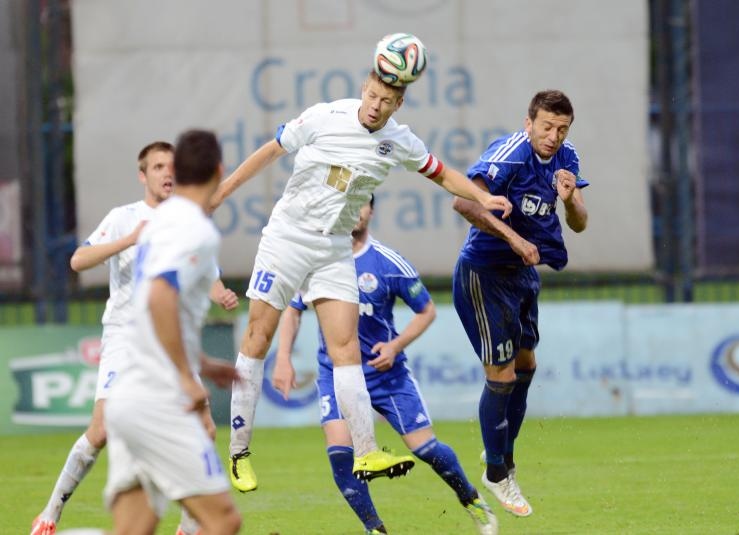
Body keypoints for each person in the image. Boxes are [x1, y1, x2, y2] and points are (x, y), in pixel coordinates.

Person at [210, 68, 512, 492]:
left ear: (398, 104)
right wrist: (223, 192)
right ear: (362, 90)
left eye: (385, 101)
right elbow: (272, 150)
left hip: (334, 248)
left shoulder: (400, 141)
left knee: (346, 348)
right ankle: (240, 452)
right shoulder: (326, 116)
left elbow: (442, 173)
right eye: (371, 96)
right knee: (258, 338)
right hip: (288, 238)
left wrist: (482, 196)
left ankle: (366, 449)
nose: (375, 106)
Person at [31, 142, 238, 535]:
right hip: (126, 336)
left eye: (172, 166)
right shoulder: (124, 218)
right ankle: (50, 512)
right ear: (143, 176)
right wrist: (130, 240)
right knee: (102, 430)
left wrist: (222, 294)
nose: (166, 173)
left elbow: (206, 276)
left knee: (205, 428)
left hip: (170, 340)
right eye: (157, 166)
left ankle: (188, 526)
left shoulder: (187, 223)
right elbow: (78, 260)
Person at [272, 197, 498, 535]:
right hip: (334, 374)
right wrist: (282, 358)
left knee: (426, 449)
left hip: (385, 375)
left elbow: (427, 311)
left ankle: (471, 499)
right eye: (350, 204)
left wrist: (395, 345)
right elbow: (292, 310)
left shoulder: (388, 263)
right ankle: (375, 529)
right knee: (340, 455)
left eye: (362, 204)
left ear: (371, 211)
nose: (355, 211)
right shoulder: (317, 261)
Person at [451, 90, 589, 517]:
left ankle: (502, 457)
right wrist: (513, 238)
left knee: (526, 366)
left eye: (561, 129)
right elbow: (463, 202)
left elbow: (580, 225)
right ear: (529, 123)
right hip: (484, 274)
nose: (553, 136)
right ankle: (497, 471)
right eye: (546, 126)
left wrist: (570, 200)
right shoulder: (510, 153)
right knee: (502, 373)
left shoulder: (567, 158)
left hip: (523, 275)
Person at [103, 129, 241, 535]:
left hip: (127, 394)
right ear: (219, 170)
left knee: (136, 527)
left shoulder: (160, 220)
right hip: (160, 399)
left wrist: (202, 362)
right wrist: (186, 376)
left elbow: (153, 309)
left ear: (178, 172)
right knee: (223, 520)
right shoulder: (195, 229)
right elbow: (161, 297)